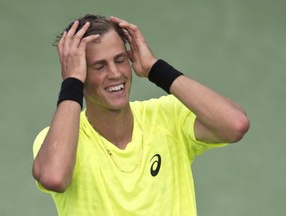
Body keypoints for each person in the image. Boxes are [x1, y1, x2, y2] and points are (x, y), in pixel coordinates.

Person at [32, 14, 250, 216]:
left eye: (120, 60)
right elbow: (54, 177)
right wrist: (71, 83)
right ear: (80, 74)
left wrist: (155, 68)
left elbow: (235, 125)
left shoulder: (168, 116)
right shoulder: (56, 140)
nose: (116, 74)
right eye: (100, 66)